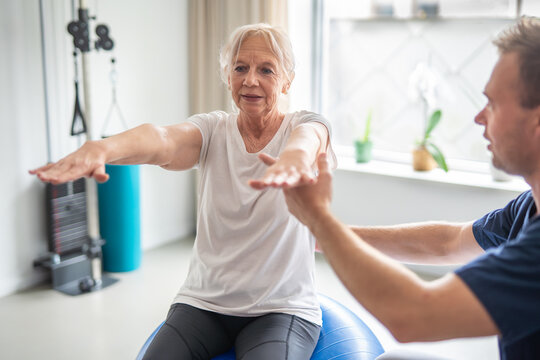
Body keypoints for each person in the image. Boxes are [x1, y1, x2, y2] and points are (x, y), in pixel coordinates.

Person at [30, 23, 336, 360]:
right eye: (240, 68)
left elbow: (308, 142)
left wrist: (292, 160)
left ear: (288, 80)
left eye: (266, 69)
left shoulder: (305, 125)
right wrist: (102, 149)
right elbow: (162, 139)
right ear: (227, 75)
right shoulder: (213, 130)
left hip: (281, 308)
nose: (250, 80)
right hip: (204, 303)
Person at [279, 16, 540, 360]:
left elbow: (414, 316)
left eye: (492, 103)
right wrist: (316, 240)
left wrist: (318, 218)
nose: (479, 117)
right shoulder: (527, 207)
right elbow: (448, 243)